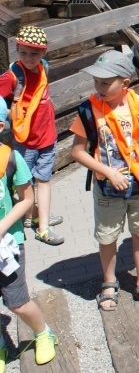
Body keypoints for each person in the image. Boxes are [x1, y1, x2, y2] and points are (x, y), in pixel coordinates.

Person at [70, 51, 139, 309]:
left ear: (124, 84)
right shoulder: (88, 111)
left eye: (105, 82)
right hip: (107, 188)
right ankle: (109, 281)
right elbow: (77, 151)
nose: (98, 87)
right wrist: (109, 171)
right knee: (107, 236)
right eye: (96, 82)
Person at [0, 99, 58, 368]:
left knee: (17, 303)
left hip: (7, 244)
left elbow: (26, 199)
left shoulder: (10, 157)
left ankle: (43, 333)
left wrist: (2, 227)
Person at [0, 26, 63, 246]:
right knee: (24, 183)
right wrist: (9, 114)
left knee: (43, 180)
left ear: (43, 53)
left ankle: (42, 224)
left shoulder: (43, 67)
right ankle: (29, 218)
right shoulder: (12, 76)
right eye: (24, 52)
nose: (29, 58)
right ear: (17, 49)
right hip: (25, 140)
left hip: (47, 135)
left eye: (34, 53)